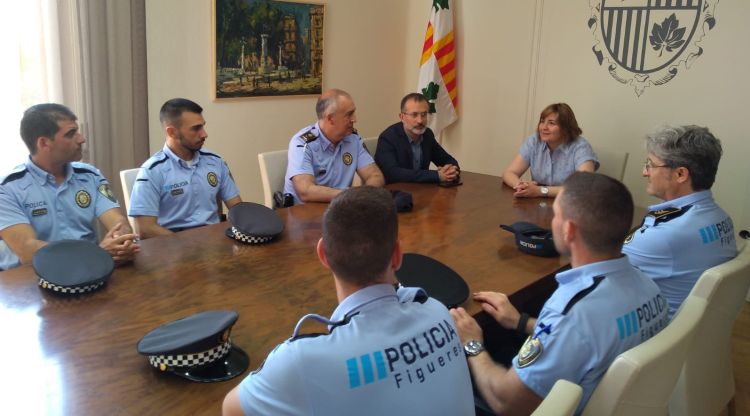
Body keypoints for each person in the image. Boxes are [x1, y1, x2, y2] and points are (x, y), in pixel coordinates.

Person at [222, 186, 474, 415]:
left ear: (323, 255)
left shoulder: (302, 360)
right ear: (397, 256)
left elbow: (231, 409)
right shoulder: (438, 312)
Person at [450, 172, 668, 415]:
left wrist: (471, 344)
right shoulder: (649, 287)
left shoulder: (573, 312)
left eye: (556, 214)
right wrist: (520, 322)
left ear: (569, 230)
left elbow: (506, 403)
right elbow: (586, 341)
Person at [0, 103, 139, 270]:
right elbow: (28, 250)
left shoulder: (90, 176)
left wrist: (122, 241)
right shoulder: (7, 189)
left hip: (88, 271)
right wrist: (94, 252)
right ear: (44, 143)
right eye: (71, 134)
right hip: (32, 279)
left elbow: (118, 220)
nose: (81, 139)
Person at [623, 125, 736, 318]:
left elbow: (599, 269)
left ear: (680, 174)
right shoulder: (722, 218)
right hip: (690, 330)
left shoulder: (664, 234)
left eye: (650, 164)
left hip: (653, 336)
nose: (645, 172)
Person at [128, 98, 242, 238]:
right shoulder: (152, 171)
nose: (204, 134)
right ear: (172, 132)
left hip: (214, 244)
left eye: (203, 126)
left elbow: (237, 208)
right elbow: (145, 229)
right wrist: (187, 246)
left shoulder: (215, 162)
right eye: (196, 128)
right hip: (171, 247)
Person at [283, 89, 385, 205]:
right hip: (304, 215)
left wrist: (365, 195)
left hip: (340, 210)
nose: (355, 119)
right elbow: (306, 191)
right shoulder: (302, 143)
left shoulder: (353, 139)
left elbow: (374, 175)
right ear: (331, 118)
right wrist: (351, 195)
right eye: (349, 114)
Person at [502, 103, 598, 198]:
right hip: (537, 204)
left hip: (570, 204)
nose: (544, 127)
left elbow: (583, 187)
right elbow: (509, 173)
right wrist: (521, 185)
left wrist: (541, 191)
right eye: (542, 121)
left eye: (551, 123)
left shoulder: (580, 147)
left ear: (566, 128)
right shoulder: (534, 141)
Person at [374, 93, 460, 184]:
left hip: (422, 192)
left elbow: (448, 160)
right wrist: (436, 175)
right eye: (414, 115)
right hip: (395, 193)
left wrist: (451, 171)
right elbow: (392, 173)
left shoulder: (427, 134)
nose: (420, 120)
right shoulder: (388, 138)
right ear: (402, 117)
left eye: (423, 114)